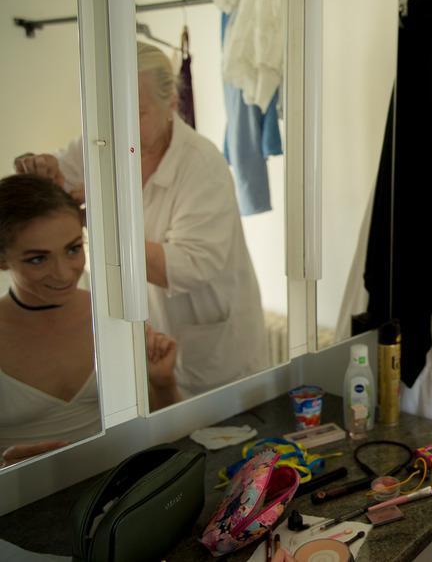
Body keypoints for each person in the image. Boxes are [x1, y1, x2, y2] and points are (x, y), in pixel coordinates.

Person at [15, 42, 268, 398]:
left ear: (172, 105)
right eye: (110, 112)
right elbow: (49, 191)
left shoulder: (201, 165)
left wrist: (97, 220)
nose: (120, 126)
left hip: (210, 347)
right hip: (142, 335)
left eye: (136, 112)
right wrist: (36, 168)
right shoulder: (101, 143)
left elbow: (189, 266)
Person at [0, 174, 179, 467]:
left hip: (111, 487)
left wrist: (163, 383)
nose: (64, 273)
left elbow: (163, 434)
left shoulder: (114, 314)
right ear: (3, 259)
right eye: (37, 259)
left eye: (73, 249)